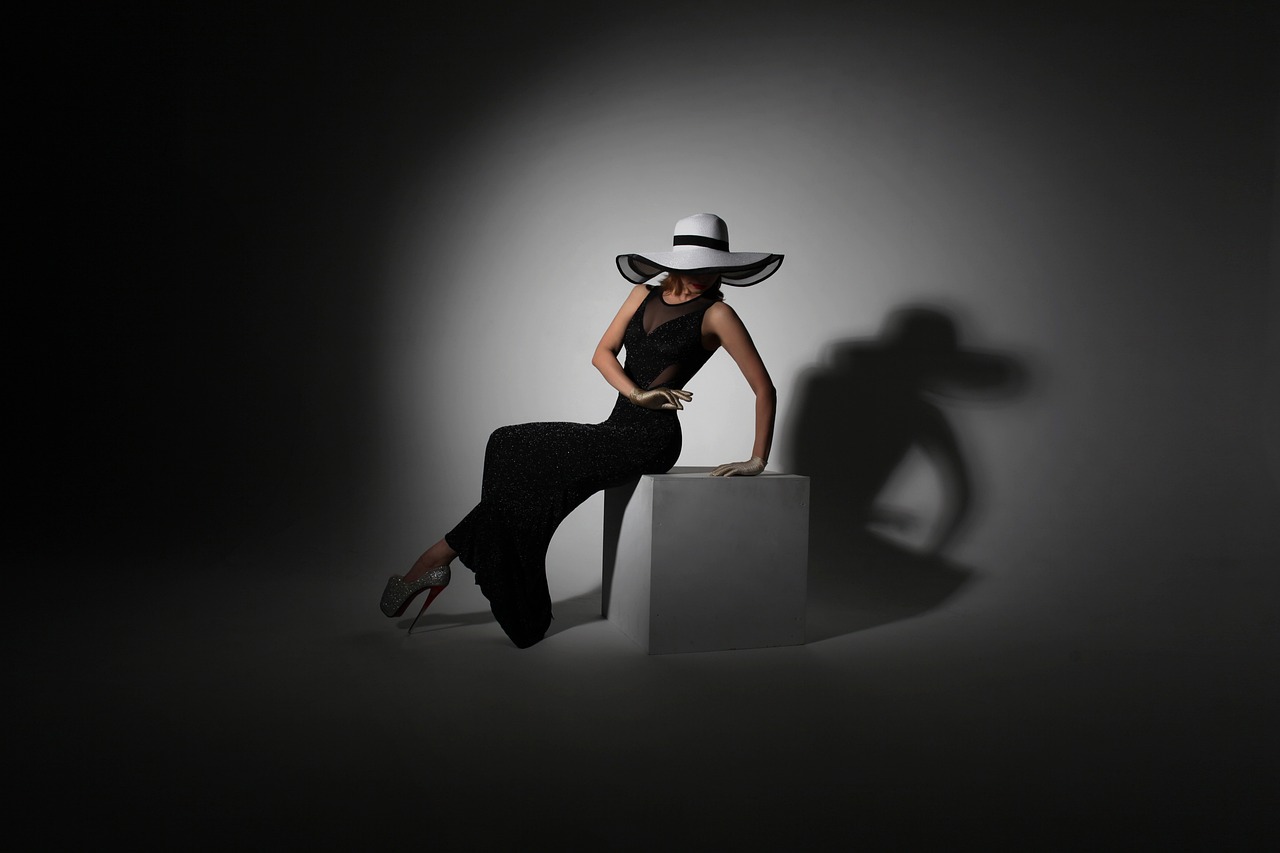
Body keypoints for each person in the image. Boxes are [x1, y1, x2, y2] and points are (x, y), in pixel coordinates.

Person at [379, 213, 784, 648]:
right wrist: (636, 394)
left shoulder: (718, 314)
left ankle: (434, 561)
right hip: (616, 425)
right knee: (507, 447)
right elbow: (602, 354)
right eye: (696, 263)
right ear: (678, 260)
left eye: (712, 266)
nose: (704, 275)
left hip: (650, 441)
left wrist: (757, 458)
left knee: (516, 461)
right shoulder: (641, 294)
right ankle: (460, 567)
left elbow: (764, 388)